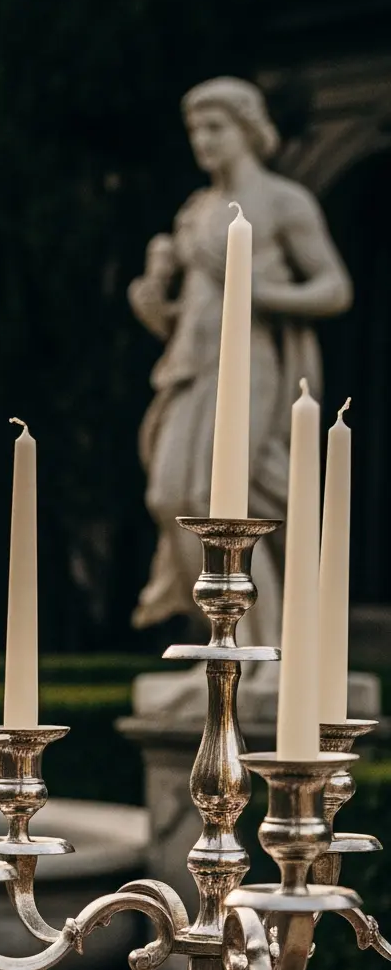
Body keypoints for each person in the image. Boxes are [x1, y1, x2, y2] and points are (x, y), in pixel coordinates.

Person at [129, 76, 351, 647]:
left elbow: (333, 289)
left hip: (253, 366)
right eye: (195, 131)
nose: (203, 141)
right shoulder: (196, 211)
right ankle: (222, 649)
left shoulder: (282, 201)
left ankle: (267, 647)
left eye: (215, 127)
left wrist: (254, 292)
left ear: (248, 129)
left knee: (226, 498)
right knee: (170, 498)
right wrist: (154, 301)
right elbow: (184, 314)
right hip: (191, 364)